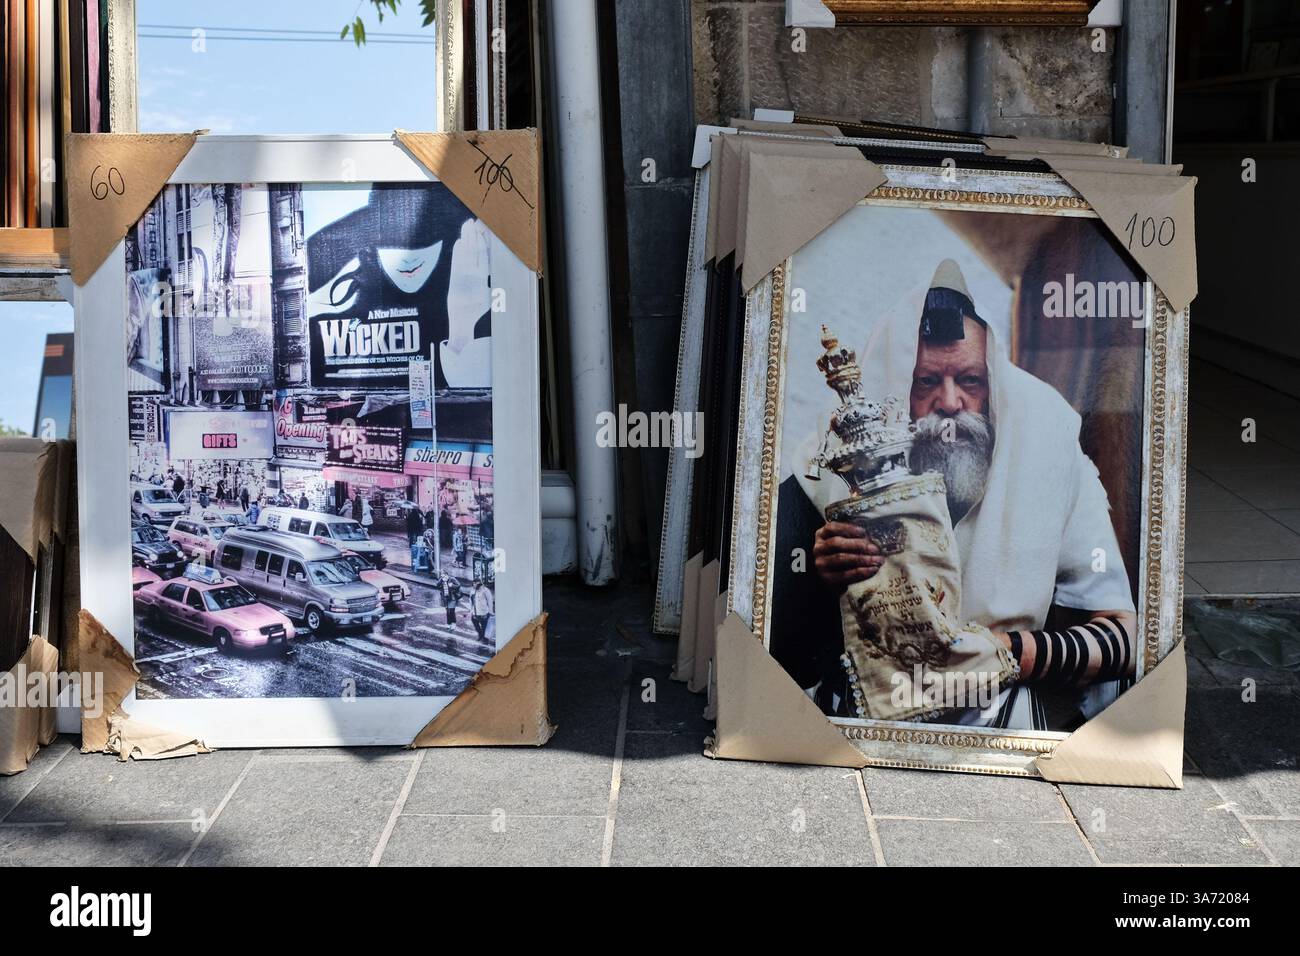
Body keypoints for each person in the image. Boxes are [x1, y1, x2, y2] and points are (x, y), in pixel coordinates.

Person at [774, 259, 1137, 731]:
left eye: (970, 380)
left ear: (994, 384)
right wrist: (823, 576)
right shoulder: (824, 459)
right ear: (893, 386)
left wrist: (1004, 651)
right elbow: (775, 640)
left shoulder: (1046, 437)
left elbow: (1124, 637)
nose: (949, 402)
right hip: (875, 704)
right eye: (925, 382)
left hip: (1003, 699)